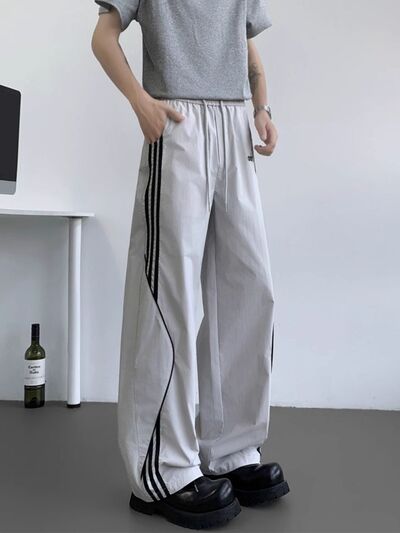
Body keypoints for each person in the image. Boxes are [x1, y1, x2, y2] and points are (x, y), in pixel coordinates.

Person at [91, 0, 289, 529]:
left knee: (250, 289)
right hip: (178, 120)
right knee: (169, 295)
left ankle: (232, 448)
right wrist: (142, 104)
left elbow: (248, 51)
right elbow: (103, 37)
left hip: (235, 126)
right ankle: (161, 468)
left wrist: (263, 109)